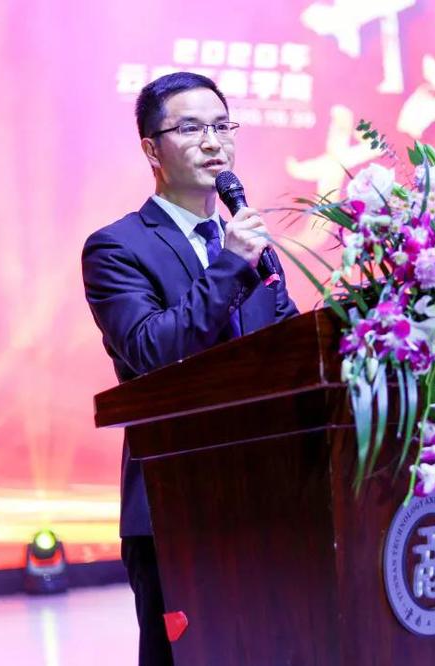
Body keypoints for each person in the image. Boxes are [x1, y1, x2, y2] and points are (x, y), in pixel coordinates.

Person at [81, 72, 299, 665]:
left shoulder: (249, 246)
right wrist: (231, 263)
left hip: (272, 498)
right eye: (191, 128)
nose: (213, 142)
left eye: (223, 126)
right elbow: (152, 351)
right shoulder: (118, 248)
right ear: (152, 149)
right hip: (175, 504)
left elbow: (293, 352)